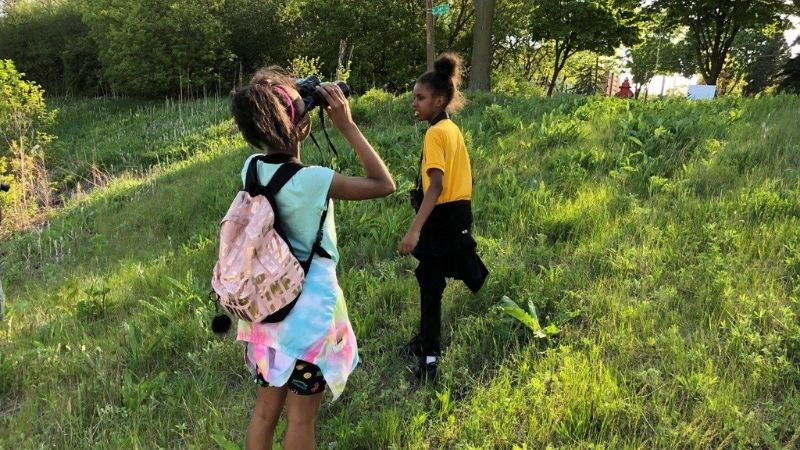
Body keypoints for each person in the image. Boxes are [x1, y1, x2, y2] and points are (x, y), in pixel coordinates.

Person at [230, 66, 395, 450]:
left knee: (264, 414)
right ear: (302, 127)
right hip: (307, 321)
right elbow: (383, 184)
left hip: (265, 314)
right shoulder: (315, 180)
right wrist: (347, 125)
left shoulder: (250, 168)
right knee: (301, 419)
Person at [398, 53, 489, 382]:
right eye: (414, 98)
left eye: (420, 98)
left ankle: (429, 358)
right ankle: (425, 341)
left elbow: (435, 187)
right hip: (458, 213)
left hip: (441, 216)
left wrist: (413, 231)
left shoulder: (436, 134)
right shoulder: (451, 129)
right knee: (431, 278)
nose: (415, 104)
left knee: (430, 285)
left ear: (439, 100)